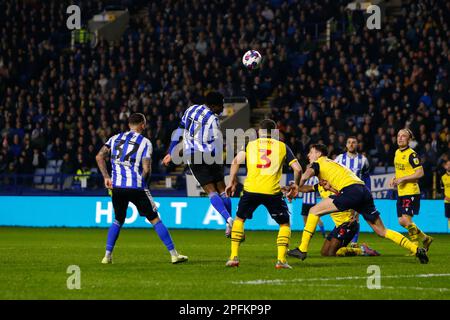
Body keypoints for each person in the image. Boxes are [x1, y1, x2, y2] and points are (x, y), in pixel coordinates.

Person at [287, 144, 429, 264]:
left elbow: (304, 176)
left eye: (311, 152)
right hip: (363, 190)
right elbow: (314, 187)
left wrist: (295, 184)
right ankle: (417, 249)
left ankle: (302, 249)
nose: (308, 155)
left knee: (313, 211)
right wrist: (295, 188)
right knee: (382, 231)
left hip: (350, 191)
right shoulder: (333, 165)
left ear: (318, 154)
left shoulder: (318, 163)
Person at [96, 113, 188, 264]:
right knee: (154, 219)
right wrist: (144, 185)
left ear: (129, 125)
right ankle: (174, 254)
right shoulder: (145, 142)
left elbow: (99, 156)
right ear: (143, 125)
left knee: (118, 220)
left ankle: (107, 256)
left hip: (117, 187)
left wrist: (107, 177)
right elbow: (146, 169)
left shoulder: (114, 138)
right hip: (136, 186)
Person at [224, 119, 303, 269]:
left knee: (240, 219)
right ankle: (281, 260)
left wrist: (231, 182)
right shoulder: (282, 146)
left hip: (250, 190)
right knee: (284, 224)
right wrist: (295, 185)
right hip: (272, 192)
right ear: (274, 132)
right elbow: (298, 169)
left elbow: (235, 161)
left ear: (258, 132)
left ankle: (233, 257)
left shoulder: (250, 145)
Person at [163, 92, 233, 237]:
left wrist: (172, 151)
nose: (222, 109)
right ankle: (230, 224)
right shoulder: (213, 120)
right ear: (214, 106)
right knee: (221, 189)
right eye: (221, 106)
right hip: (211, 156)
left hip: (194, 156)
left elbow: (179, 131)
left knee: (211, 191)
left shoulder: (191, 109)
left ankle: (228, 219)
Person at [296, 182, 380, 257]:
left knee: (331, 253)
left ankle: (362, 250)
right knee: (324, 253)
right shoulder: (321, 185)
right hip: (337, 226)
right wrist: (295, 187)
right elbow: (307, 189)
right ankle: (360, 250)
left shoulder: (338, 185)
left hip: (348, 224)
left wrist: (354, 215)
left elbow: (354, 198)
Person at [389, 129, 433, 254]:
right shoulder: (397, 152)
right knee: (401, 221)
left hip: (411, 191)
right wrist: (395, 178)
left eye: (404, 136)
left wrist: (402, 179)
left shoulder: (411, 154)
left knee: (407, 219)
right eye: (398, 135)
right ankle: (425, 238)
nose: (400, 138)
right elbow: (401, 170)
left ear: (409, 140)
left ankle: (415, 248)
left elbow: (420, 172)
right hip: (401, 192)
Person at [334, 136, 371, 245]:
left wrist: (368, 191)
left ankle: (354, 242)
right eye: (349, 142)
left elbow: (366, 176)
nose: (351, 144)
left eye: (353, 142)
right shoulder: (340, 158)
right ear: (346, 145)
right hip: (342, 192)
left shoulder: (363, 160)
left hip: (357, 193)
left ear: (357, 145)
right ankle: (341, 240)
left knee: (355, 218)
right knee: (342, 218)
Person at [440, 160, 450, 229]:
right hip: (447, 200)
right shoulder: (443, 177)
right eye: (448, 164)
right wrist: (445, 197)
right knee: (449, 217)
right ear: (445, 166)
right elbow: (441, 189)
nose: (449, 166)